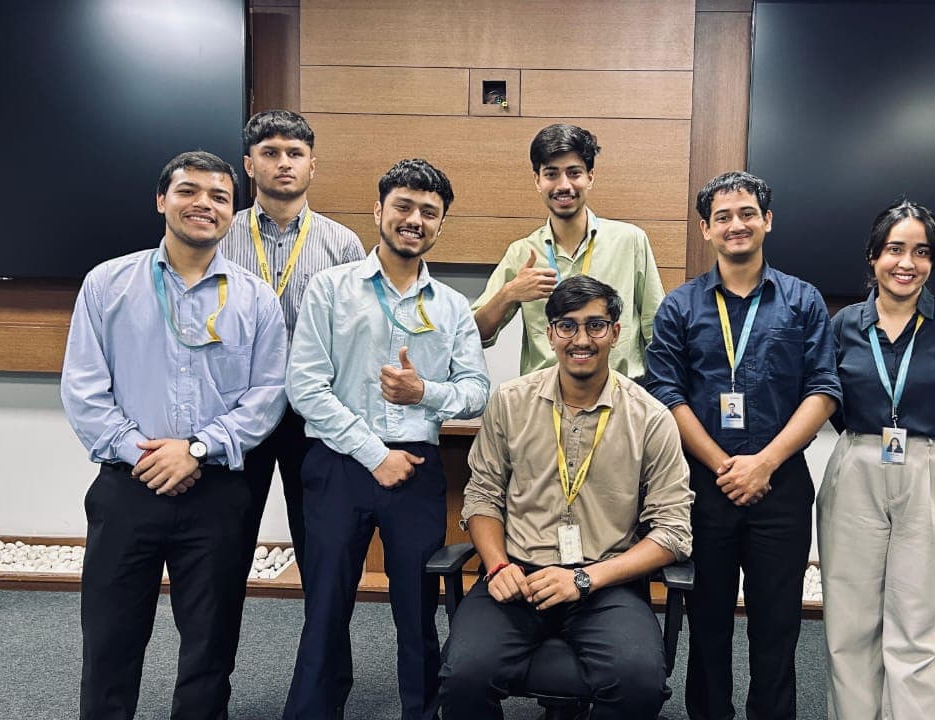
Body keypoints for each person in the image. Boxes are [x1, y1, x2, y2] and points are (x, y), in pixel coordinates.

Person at [61, 150, 288, 719]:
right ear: (162, 200)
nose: (204, 205)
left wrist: (196, 449)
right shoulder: (106, 284)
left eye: (219, 197)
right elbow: (85, 391)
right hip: (126, 487)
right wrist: (144, 455)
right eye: (189, 192)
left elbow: (268, 396)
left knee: (210, 645)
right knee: (111, 639)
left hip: (215, 492)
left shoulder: (256, 297)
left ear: (232, 214)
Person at [283, 159, 489, 720]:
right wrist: (374, 455)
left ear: (440, 224)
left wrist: (423, 391)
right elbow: (304, 387)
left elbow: (476, 392)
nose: (414, 220)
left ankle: (421, 712)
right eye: (403, 206)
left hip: (417, 469)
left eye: (429, 212)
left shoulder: (450, 307)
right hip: (339, 463)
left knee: (416, 609)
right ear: (379, 211)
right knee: (326, 605)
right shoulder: (329, 289)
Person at [440, 275, 694, 719]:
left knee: (640, 683)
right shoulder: (509, 402)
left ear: (617, 333)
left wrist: (584, 579)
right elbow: (482, 497)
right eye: (567, 325)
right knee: (462, 676)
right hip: (518, 575)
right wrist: (497, 564)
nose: (581, 339)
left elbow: (673, 532)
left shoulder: (650, 417)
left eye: (596, 325)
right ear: (549, 333)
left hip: (605, 582)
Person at [645, 171, 842, 720]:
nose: (737, 224)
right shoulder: (680, 307)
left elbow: (823, 390)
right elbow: (666, 393)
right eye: (724, 216)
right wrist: (724, 465)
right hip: (702, 488)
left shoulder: (802, 301)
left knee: (777, 624)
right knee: (705, 620)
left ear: (767, 221)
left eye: (747, 213)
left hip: (780, 486)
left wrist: (764, 463)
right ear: (706, 229)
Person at [818, 199, 935, 720]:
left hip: (931, 468)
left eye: (921, 252)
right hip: (856, 465)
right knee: (851, 618)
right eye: (895, 249)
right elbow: (826, 398)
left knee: (922, 622)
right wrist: (865, 445)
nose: (907, 263)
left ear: (933, 261)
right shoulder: (843, 325)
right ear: (873, 256)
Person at [221, 109, 366, 575]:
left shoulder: (342, 244)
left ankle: (321, 649)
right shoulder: (220, 238)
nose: (283, 162)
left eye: (295, 153)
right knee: (226, 548)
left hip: (313, 417)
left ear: (312, 165)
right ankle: (216, 651)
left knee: (319, 546)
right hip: (239, 410)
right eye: (270, 153)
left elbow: (355, 336)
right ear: (249, 165)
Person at [471, 123, 665, 379]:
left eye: (574, 173)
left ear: (590, 177)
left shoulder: (630, 241)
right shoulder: (523, 253)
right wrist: (509, 293)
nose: (564, 185)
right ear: (537, 180)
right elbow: (474, 335)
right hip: (545, 402)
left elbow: (658, 333)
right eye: (551, 174)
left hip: (620, 400)